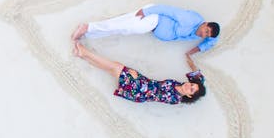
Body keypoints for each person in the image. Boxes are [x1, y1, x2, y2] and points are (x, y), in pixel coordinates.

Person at [72, 41, 206, 105]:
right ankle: (83, 56)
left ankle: (84, 52)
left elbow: (152, 93)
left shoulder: (175, 99)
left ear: (189, 95)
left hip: (139, 90)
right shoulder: (180, 84)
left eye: (192, 89)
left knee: (117, 67)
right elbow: (197, 76)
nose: (190, 86)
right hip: (144, 82)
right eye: (192, 85)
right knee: (112, 69)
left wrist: (135, 79)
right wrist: (198, 78)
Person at [72, 3, 220, 56]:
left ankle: (89, 32)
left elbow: (213, 39)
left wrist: (195, 51)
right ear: (205, 23)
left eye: (206, 34)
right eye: (205, 30)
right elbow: (168, 10)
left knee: (123, 29)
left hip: (152, 27)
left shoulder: (200, 35)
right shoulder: (191, 19)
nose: (203, 34)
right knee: (124, 26)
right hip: (154, 18)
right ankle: (87, 27)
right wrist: (147, 12)